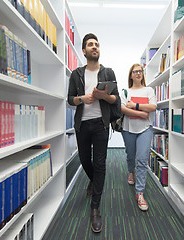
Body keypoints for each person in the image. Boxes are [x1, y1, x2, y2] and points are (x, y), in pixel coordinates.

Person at [67, 33, 120, 233]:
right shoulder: (76, 74)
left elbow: (116, 100)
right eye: (90, 44)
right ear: (84, 50)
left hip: (101, 124)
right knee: (84, 160)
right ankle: (94, 181)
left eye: (97, 44)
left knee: (100, 163)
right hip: (82, 124)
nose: (94, 47)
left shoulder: (108, 72)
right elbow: (69, 99)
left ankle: (95, 208)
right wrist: (83, 99)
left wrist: (103, 96)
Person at [120, 63, 156, 211]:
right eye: (135, 71)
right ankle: (130, 171)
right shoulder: (125, 91)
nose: (138, 73)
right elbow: (122, 108)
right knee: (130, 155)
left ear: (142, 74)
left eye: (140, 71)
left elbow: (153, 107)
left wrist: (134, 106)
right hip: (128, 129)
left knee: (141, 160)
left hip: (145, 129)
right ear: (131, 75)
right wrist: (142, 113)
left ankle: (139, 193)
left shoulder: (149, 90)